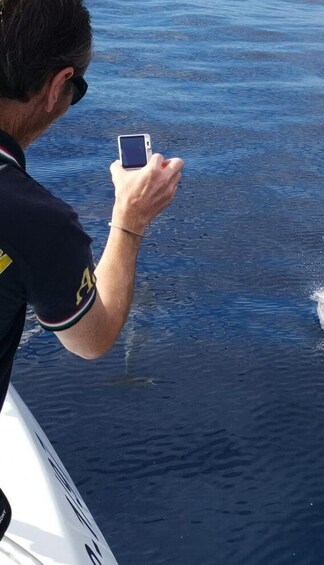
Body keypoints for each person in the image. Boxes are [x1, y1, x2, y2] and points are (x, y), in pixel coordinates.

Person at [0, 0, 184, 539]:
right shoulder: (33, 220)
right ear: (58, 86)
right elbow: (92, 337)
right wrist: (128, 223)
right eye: (77, 91)